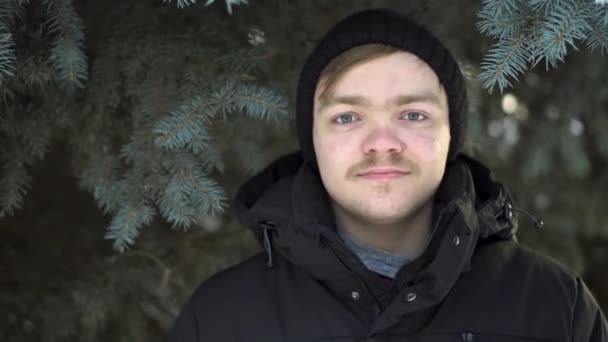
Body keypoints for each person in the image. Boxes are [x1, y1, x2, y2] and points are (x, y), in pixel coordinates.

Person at [168, 8, 608, 341]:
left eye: (413, 114)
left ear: (451, 135)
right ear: (313, 142)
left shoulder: (555, 307)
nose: (382, 141)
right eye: (347, 117)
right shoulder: (219, 319)